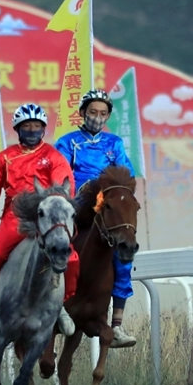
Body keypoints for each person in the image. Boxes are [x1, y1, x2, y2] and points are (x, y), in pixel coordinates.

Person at [0, 103, 77, 333]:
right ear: (18, 129)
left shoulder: (53, 156)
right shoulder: (4, 158)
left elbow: (62, 187)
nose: (33, 130)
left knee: (72, 258)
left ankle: (61, 306)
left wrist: (54, 209)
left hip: (47, 216)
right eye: (27, 126)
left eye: (37, 126)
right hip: (15, 215)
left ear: (43, 128)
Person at [55, 89, 137, 348]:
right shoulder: (67, 142)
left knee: (123, 252)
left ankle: (117, 324)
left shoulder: (115, 143)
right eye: (92, 112)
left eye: (103, 113)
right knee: (55, 246)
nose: (97, 117)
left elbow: (125, 173)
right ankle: (51, 306)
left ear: (108, 116)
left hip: (106, 204)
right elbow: (61, 175)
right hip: (78, 202)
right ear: (82, 113)